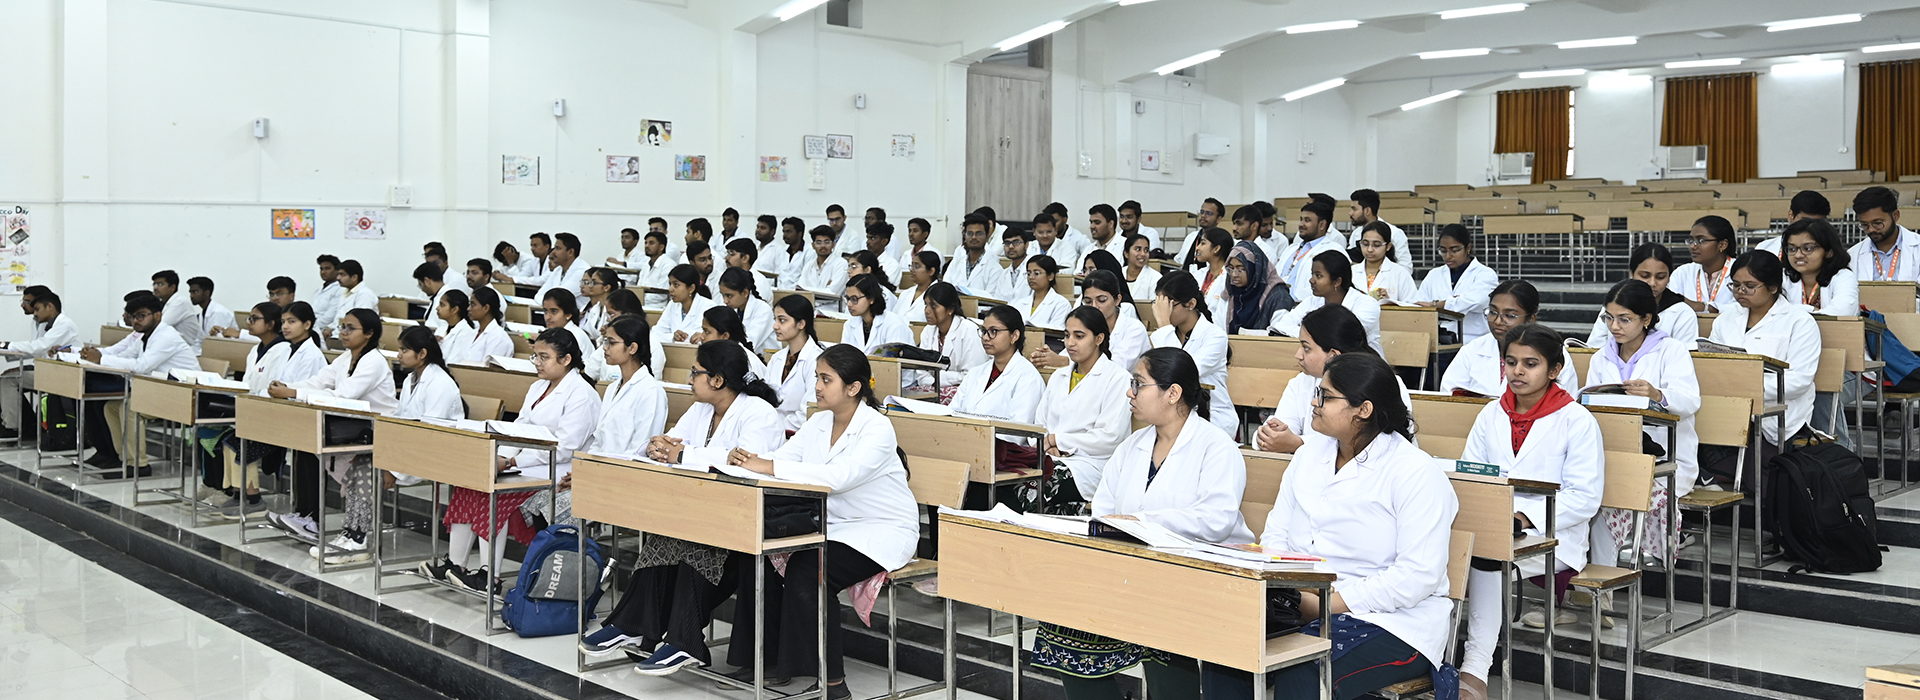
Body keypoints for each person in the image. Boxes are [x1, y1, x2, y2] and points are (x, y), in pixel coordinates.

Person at [1203, 352, 1458, 700]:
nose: (1314, 402)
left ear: (1363, 410)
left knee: (1305, 666)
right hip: (1304, 602)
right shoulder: (1310, 454)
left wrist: (1326, 603)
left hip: (1394, 622)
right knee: (1225, 647)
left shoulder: (1415, 473)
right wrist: (1293, 592)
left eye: (1325, 396)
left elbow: (1416, 576)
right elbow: (1276, 534)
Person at [1030, 347, 1254, 700]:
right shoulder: (1132, 446)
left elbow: (1216, 521)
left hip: (1197, 572)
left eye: (1138, 384)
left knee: (1162, 628)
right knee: (1066, 622)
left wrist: (1140, 522)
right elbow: (1103, 510)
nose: (1129, 392)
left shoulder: (1216, 447)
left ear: (1173, 393)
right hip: (1136, 567)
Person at [724, 345, 919, 700]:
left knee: (810, 569)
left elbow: (840, 477)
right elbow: (781, 460)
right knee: (761, 556)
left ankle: (833, 683)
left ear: (853, 388)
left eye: (826, 379)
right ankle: (767, 661)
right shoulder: (818, 422)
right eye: (816, 377)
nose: (816, 386)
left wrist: (768, 465)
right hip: (834, 525)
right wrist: (746, 459)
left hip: (881, 530)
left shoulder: (877, 428)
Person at [586, 339, 783, 672]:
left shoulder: (759, 413)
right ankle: (636, 626)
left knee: (695, 542)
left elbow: (742, 464)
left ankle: (680, 640)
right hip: (702, 511)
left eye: (696, 372)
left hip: (744, 519)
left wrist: (685, 455)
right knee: (664, 538)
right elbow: (672, 443)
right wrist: (656, 447)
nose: (690, 379)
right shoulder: (701, 408)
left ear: (717, 379)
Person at [1458, 324, 1606, 700]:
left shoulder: (1577, 420)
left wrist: (1525, 518)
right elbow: (1472, 474)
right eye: (1511, 362)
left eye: (1530, 363)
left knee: (1487, 559)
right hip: (1493, 524)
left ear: (1555, 369)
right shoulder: (1491, 414)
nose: (1518, 371)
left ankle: (1475, 668)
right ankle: (1429, 657)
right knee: (1445, 551)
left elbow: (1585, 497)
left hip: (1554, 535)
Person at [436, 328, 602, 592]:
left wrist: (512, 464)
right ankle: (455, 565)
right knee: (471, 483)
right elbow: (518, 429)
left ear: (566, 359)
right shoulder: (538, 387)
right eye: (535, 356)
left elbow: (564, 448)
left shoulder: (582, 394)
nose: (537, 363)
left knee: (495, 493)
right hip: (528, 463)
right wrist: (502, 457)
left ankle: (489, 577)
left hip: (557, 468)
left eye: (544, 357)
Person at [1584, 279, 1700, 565]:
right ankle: (1598, 575)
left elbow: (1690, 401)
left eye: (1624, 319)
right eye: (1609, 318)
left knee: (1606, 496)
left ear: (1646, 319)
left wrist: (1658, 395)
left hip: (1665, 460)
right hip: (1614, 456)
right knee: (1587, 492)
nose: (1614, 326)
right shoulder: (1600, 357)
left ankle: (1604, 574)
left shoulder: (1671, 350)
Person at [261, 309, 398, 547]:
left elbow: (344, 396)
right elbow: (318, 382)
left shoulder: (374, 361)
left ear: (369, 333)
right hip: (351, 423)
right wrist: (288, 387)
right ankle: (304, 515)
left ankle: (311, 519)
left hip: (377, 429)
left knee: (312, 437)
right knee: (305, 437)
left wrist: (293, 392)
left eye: (350, 328)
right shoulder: (345, 358)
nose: (343, 333)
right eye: (343, 327)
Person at [328, 325, 465, 564]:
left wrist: (393, 469)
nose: (399, 355)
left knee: (369, 470)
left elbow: (428, 434)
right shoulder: (412, 379)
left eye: (404, 350)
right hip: (410, 445)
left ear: (422, 354)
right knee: (362, 462)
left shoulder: (440, 383)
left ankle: (358, 539)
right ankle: (352, 532)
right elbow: (400, 423)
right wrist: (381, 453)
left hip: (435, 451)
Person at [1703, 251, 1820, 488]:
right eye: (1735, 285)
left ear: (1773, 287)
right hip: (1728, 409)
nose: (1740, 292)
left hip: (1776, 414)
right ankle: (1713, 478)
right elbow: (1714, 365)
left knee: (1763, 475)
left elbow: (1799, 380)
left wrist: (1745, 388)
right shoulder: (1726, 318)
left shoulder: (1799, 322)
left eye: (1750, 286)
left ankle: (1728, 478)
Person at [209, 301, 329, 517]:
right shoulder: (290, 350)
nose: (286, 326)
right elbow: (276, 385)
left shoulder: (310, 354)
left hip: (297, 418)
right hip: (275, 410)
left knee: (240, 441)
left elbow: (301, 391)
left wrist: (271, 394)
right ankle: (240, 494)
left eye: (292, 322)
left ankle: (253, 499)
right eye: (284, 322)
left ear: (307, 324)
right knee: (232, 439)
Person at [1254, 304, 1409, 453]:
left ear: (1333, 356)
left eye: (1306, 348)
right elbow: (1277, 433)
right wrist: (1269, 435)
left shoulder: (1385, 384)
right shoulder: (1300, 382)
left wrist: (1298, 444)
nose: (1298, 355)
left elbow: (1374, 444)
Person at [79, 292, 199, 477]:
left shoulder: (166, 336)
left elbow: (142, 366)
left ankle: (138, 465)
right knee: (111, 407)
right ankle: (124, 459)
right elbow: (123, 357)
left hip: (186, 394)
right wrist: (95, 357)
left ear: (157, 315)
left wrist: (101, 359)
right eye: (134, 316)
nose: (136, 321)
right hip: (165, 391)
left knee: (131, 407)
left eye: (141, 316)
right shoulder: (145, 336)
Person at [1030, 306, 1131, 514]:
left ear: (1099, 338)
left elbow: (1110, 438)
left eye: (1079, 336)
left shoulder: (1118, 378)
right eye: (1067, 335)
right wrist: (1046, 445)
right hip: (1049, 457)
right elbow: (1038, 424)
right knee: (1009, 477)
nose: (1070, 343)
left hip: (1090, 466)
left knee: (1032, 488)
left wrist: (1058, 440)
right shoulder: (1058, 376)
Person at [1440, 281, 1578, 397]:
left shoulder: (1554, 353)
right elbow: (1448, 395)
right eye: (1493, 312)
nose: (1498, 321)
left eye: (1510, 316)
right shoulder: (1473, 349)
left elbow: (1564, 403)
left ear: (1531, 319)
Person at [1150, 271, 1236, 437]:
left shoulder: (1215, 336)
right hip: (1172, 414)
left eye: (1169, 305)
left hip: (1211, 416)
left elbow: (1180, 372)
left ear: (1190, 304)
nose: (1163, 312)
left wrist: (1164, 326)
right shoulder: (1165, 335)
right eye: (1160, 305)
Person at [0, 288, 79, 438]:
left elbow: (39, 346)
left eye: (34, 306)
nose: (27, 307)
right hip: (47, 367)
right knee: (8, 375)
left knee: (8, 380)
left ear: (49, 306)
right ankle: (25, 424)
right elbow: (37, 349)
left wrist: (7, 345)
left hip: (62, 374)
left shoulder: (64, 325)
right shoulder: (41, 322)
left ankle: (13, 428)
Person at [1586, 243, 1700, 344]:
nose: (1652, 283)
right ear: (1632, 274)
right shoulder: (1614, 306)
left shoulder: (1682, 313)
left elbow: (1684, 355)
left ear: (1669, 277)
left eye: (1660, 277)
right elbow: (1594, 347)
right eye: (1645, 276)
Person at [1273, 250, 1382, 354]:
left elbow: (1342, 336)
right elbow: (1281, 325)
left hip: (1362, 362)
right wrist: (1314, 333)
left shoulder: (1367, 304)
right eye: (1312, 274)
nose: (1311, 280)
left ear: (1337, 281)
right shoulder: (1312, 301)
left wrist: (1305, 332)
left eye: (1318, 276)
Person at [1415, 224, 1500, 343]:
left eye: (1454, 250)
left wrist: (1437, 304)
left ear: (1468, 248)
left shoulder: (1485, 274)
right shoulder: (1434, 274)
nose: (1448, 256)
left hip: (1474, 340)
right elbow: (1420, 304)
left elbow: (1477, 301)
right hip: (1439, 338)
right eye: (1443, 251)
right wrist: (1457, 301)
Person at [911, 282, 985, 401]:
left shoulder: (969, 330)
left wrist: (936, 378)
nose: (927, 311)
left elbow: (971, 376)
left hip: (965, 392)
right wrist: (950, 378)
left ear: (950, 309)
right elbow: (922, 374)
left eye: (933, 306)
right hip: (932, 388)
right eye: (926, 305)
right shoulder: (928, 331)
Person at [767, 295, 826, 433]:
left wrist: (776, 428)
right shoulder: (776, 358)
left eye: (782, 320)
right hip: (771, 429)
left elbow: (809, 410)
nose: (775, 326)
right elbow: (765, 401)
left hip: (798, 433)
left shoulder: (816, 360)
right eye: (775, 319)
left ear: (801, 324)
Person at [1780, 217, 1859, 316]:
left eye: (1808, 248)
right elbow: (1772, 312)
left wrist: (1794, 311)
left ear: (1829, 252)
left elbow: (1843, 314)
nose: (1798, 255)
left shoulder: (1844, 277)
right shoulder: (1782, 277)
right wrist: (1812, 309)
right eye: (1792, 249)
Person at [1276, 196, 1345, 299]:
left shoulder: (1334, 250)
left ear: (1322, 225)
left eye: (1307, 220)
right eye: (1301, 220)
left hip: (1307, 304)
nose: (1301, 224)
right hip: (1277, 302)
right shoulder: (1291, 249)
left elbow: (1332, 287)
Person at [1849, 186, 1917, 283]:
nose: (1871, 229)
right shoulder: (1852, 255)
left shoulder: (1917, 248)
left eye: (1877, 223)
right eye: (1864, 225)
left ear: (1895, 216)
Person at [1672, 215, 1739, 313]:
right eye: (1691, 240)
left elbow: (1745, 307)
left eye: (1701, 240)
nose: (1692, 246)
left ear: (1722, 245)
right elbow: (1670, 305)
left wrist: (1704, 308)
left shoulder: (1741, 270)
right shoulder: (1683, 272)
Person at [543, 288, 611, 381]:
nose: (548, 317)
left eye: (554, 311)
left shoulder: (575, 335)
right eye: (545, 311)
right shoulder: (555, 332)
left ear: (568, 314)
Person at [689, 305, 770, 380]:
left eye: (707, 332)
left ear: (725, 336)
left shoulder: (747, 362)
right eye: (703, 330)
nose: (702, 336)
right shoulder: (717, 355)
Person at [841, 274, 912, 354]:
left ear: (871, 299)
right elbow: (844, 355)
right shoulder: (850, 324)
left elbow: (895, 358)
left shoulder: (894, 325)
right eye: (848, 298)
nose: (849, 304)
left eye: (854, 299)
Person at [1352, 220, 1417, 303]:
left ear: (1388, 246)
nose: (1370, 249)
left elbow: (1412, 305)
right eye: (1365, 244)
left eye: (1376, 245)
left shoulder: (1400, 274)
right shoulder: (1351, 272)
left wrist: (1389, 302)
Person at [654, 264, 720, 345]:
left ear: (691, 288)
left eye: (676, 285)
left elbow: (698, 339)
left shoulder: (708, 306)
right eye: (670, 284)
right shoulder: (672, 305)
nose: (671, 289)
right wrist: (673, 337)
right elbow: (656, 333)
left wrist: (680, 338)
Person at [717, 267, 777, 354]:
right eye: (723, 295)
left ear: (745, 293)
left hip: (763, 359)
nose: (725, 301)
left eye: (729, 296)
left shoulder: (763, 310)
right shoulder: (733, 308)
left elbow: (749, 344)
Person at [788, 226, 851, 306]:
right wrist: (808, 292)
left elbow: (832, 294)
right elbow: (800, 290)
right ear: (813, 245)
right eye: (818, 242)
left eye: (827, 242)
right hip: (809, 308)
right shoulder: (809, 265)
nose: (823, 246)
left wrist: (807, 291)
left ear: (833, 244)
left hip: (832, 309)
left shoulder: (841, 264)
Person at [1755, 191, 1831, 256]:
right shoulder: (1765, 248)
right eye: (1804, 221)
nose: (1810, 226)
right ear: (1791, 216)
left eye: (1817, 222)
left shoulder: (1830, 250)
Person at [451, 287, 516, 364]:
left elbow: (487, 368)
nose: (468, 308)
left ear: (486, 308)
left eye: (473, 305)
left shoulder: (499, 339)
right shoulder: (472, 333)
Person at [944, 215, 1004, 298]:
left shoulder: (995, 269)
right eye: (970, 233)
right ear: (964, 235)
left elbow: (992, 300)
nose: (974, 237)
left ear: (987, 236)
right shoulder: (956, 263)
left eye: (979, 234)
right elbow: (945, 289)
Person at [1348, 188, 1413, 263]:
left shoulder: (1395, 233)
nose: (1350, 213)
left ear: (1367, 211)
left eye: (1354, 209)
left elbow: (1405, 266)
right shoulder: (1356, 233)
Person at [1184, 227, 1235, 321]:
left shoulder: (1230, 278)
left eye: (1203, 243)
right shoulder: (1198, 275)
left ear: (1216, 249)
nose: (1197, 248)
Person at [151, 270, 204, 355]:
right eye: (154, 284)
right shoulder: (163, 303)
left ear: (172, 287)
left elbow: (159, 326)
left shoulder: (180, 302)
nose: (155, 288)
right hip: (172, 347)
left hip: (189, 350)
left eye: (160, 284)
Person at [1012, 255, 1072, 329]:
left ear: (1051, 276)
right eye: (1028, 273)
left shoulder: (1061, 304)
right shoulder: (1020, 303)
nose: (1031, 277)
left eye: (1037, 273)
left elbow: (1058, 329)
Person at [323, 260, 377, 337]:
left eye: (342, 275)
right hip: (339, 334)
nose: (338, 278)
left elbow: (359, 322)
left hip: (352, 337)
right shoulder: (344, 292)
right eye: (338, 274)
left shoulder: (365, 295)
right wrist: (329, 328)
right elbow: (339, 318)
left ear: (354, 277)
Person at [1075, 204, 1127, 272]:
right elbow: (1077, 274)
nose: (1092, 226)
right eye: (1091, 222)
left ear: (1111, 224)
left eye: (1097, 222)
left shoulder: (1125, 246)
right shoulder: (1088, 249)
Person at [898, 251, 942, 324]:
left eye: (917, 267)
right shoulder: (905, 293)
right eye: (911, 266)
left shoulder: (940, 295)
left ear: (931, 271)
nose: (911, 269)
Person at [634, 231, 676, 306]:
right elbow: (639, 288)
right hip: (642, 304)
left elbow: (662, 294)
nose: (647, 246)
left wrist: (640, 299)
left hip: (658, 306)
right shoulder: (646, 264)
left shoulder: (669, 265)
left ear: (661, 247)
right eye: (646, 243)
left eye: (651, 243)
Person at [578, 267, 623, 335]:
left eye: (594, 282)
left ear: (606, 287)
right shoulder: (595, 308)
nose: (590, 286)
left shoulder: (616, 310)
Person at [188, 276, 232, 341]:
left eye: (195, 292)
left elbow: (218, 341)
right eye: (190, 292)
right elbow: (200, 340)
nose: (191, 296)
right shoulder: (201, 315)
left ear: (207, 293)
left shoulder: (218, 313)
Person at [1121, 233, 1162, 301]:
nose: (1143, 254)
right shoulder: (1118, 273)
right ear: (1126, 253)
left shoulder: (1155, 277)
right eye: (1138, 249)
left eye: (1146, 250)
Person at [311, 255, 344, 333]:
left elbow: (330, 316)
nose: (323, 272)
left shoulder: (340, 290)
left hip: (325, 330)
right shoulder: (318, 291)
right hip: (312, 327)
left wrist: (310, 326)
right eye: (321, 269)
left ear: (337, 270)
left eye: (327, 268)